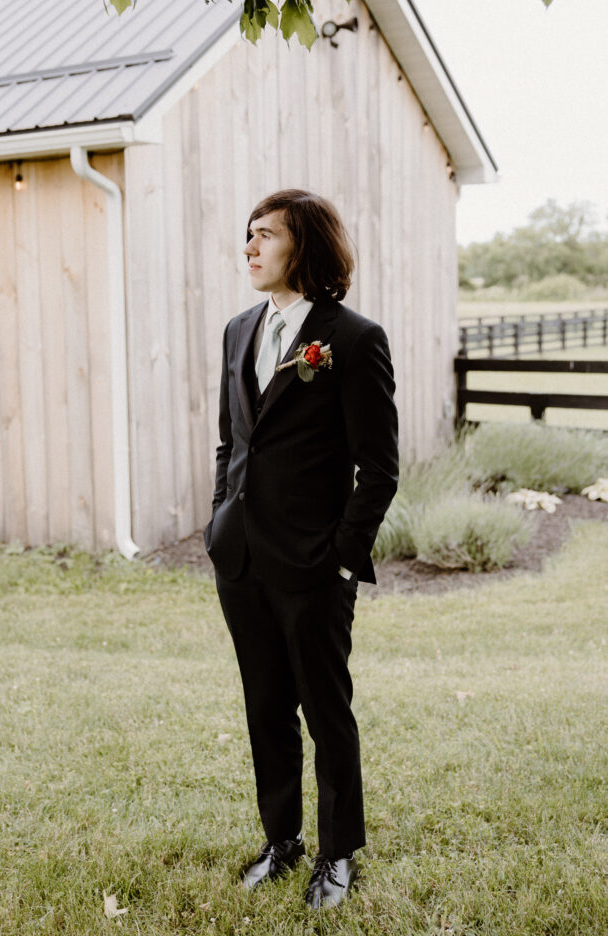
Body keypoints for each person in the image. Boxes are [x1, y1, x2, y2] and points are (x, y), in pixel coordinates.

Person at [204, 189, 399, 908]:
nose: (248, 247)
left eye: (264, 235)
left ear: (304, 246)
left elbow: (378, 467)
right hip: (241, 559)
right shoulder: (237, 330)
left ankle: (337, 853)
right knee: (264, 705)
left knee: (324, 708)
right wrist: (219, 518)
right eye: (246, 234)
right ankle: (280, 840)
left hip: (315, 566)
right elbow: (233, 441)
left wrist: (343, 557)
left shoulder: (351, 338)